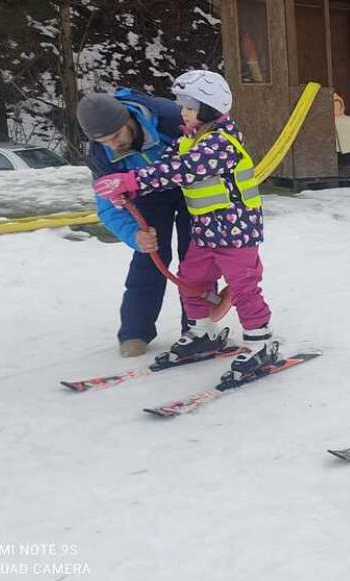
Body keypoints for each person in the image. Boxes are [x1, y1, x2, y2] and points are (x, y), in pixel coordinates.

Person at [92, 70, 277, 379]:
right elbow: (164, 166)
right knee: (192, 279)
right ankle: (202, 332)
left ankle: (261, 342)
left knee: (243, 287)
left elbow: (181, 170)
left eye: (190, 108)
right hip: (205, 231)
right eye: (183, 107)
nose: (183, 113)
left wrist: (132, 180)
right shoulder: (190, 138)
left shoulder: (220, 143)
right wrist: (128, 191)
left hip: (236, 232)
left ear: (209, 108)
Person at [77, 90, 189, 357]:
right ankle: (135, 332)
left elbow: (212, 148)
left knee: (196, 256)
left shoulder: (169, 118)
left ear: (127, 119)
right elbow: (107, 205)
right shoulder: (101, 155)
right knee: (149, 257)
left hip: (191, 187)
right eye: (104, 140)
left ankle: (198, 326)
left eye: (116, 135)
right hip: (147, 195)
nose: (113, 144)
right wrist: (134, 235)